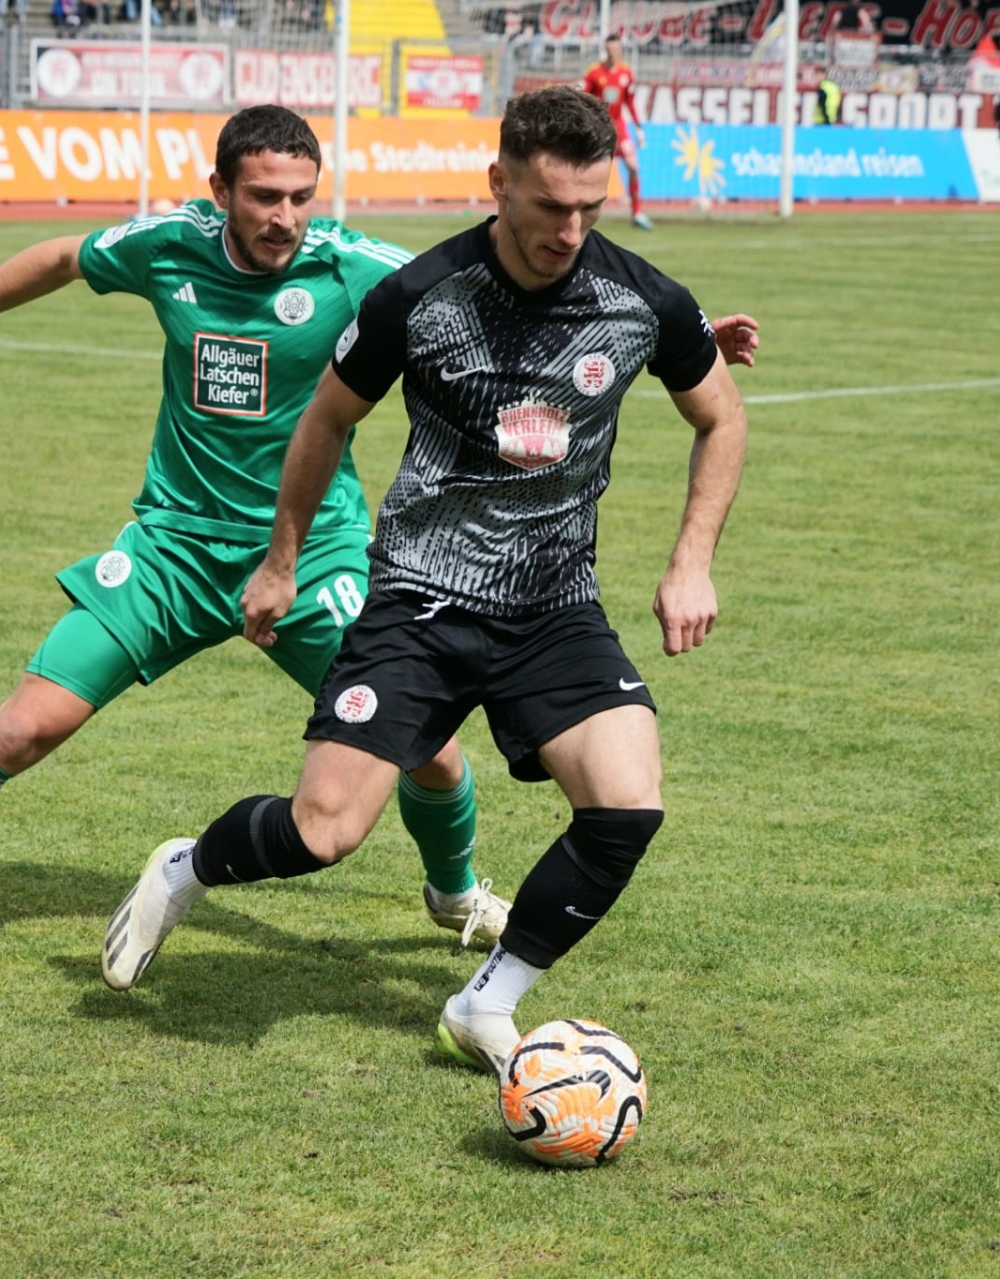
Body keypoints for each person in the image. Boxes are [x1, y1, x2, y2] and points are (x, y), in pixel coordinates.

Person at [99, 85, 749, 1082]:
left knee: (628, 803)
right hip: (417, 600)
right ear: (499, 185)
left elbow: (721, 415)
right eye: (549, 207)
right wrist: (281, 561)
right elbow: (325, 421)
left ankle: (486, 1002)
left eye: (590, 209)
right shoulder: (420, 295)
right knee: (324, 831)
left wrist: (691, 558)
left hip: (554, 605)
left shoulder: (642, 299)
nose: (570, 232)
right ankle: (187, 865)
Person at [582, 35, 651, 230]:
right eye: (609, 50)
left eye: (616, 49)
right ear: (606, 51)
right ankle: (583, 211)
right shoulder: (594, 73)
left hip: (619, 127)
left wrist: (638, 127)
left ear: (620, 50)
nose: (613, 53)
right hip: (600, 127)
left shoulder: (626, 73)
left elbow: (630, 101)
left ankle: (636, 213)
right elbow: (584, 99)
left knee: (633, 166)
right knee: (590, 170)